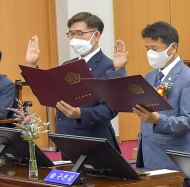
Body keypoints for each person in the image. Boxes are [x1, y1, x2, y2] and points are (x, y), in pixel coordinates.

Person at [23, 14, 129, 150]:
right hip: (66, 137)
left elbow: (110, 109)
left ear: (96, 35)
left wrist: (80, 113)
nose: (74, 39)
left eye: (80, 34)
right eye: (71, 34)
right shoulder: (68, 65)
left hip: (94, 140)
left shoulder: (109, 66)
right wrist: (32, 65)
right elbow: (48, 93)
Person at [134, 21, 190, 171]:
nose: (150, 53)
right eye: (147, 48)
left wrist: (158, 120)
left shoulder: (189, 79)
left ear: (172, 48)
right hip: (147, 153)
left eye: (154, 49)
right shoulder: (150, 75)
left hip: (171, 158)